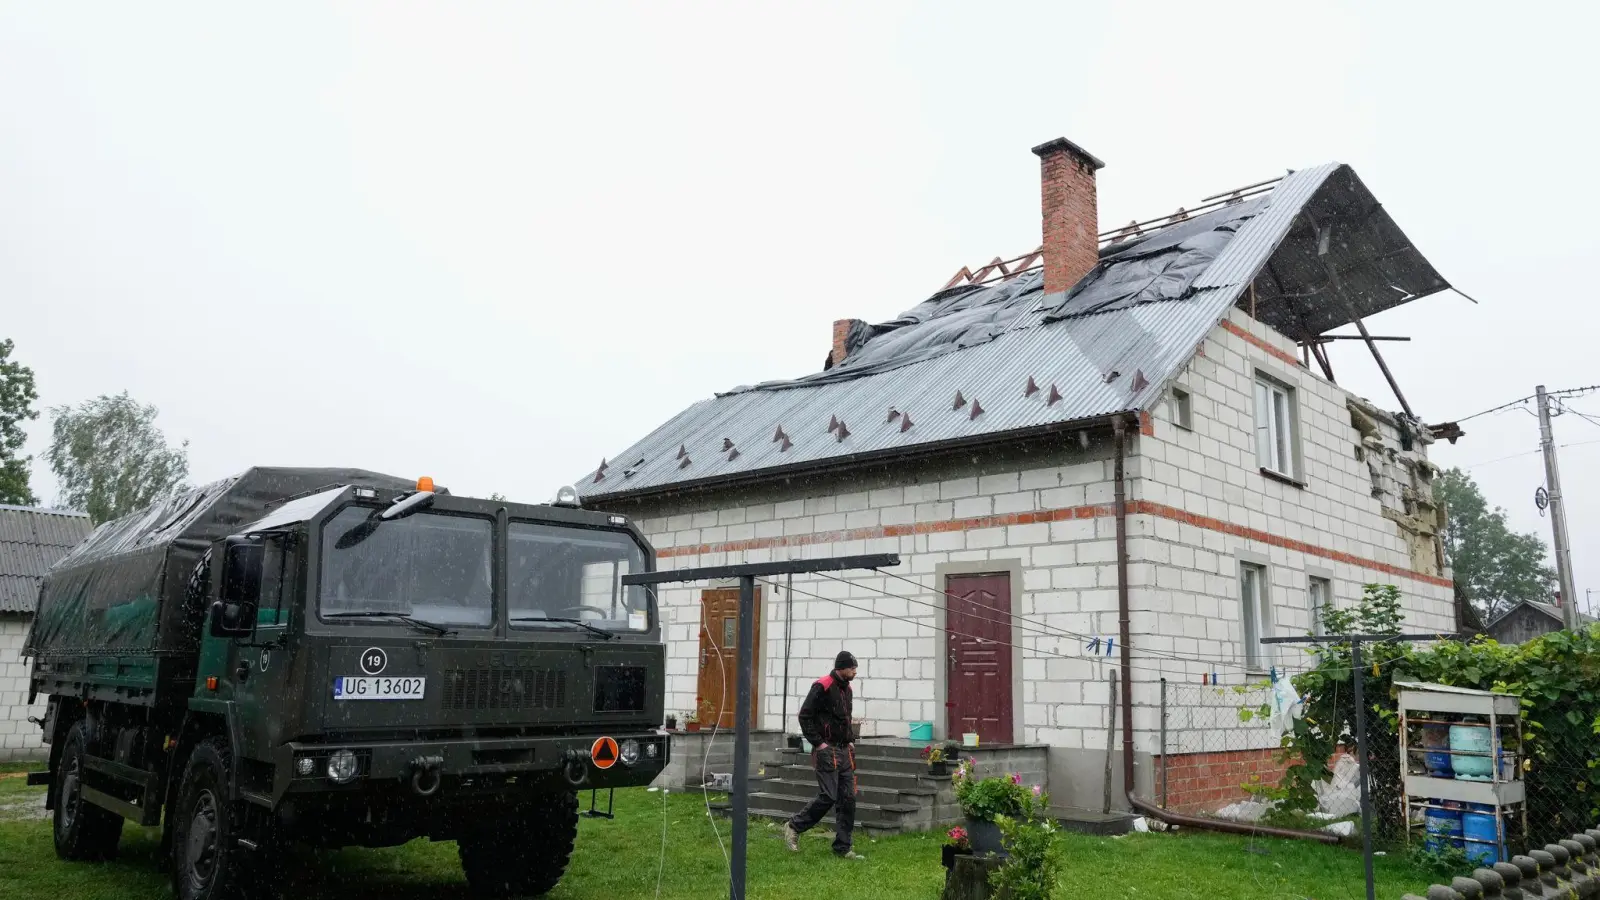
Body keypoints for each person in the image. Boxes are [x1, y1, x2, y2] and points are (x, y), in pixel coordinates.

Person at [783, 651, 862, 859]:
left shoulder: (848, 689)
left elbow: (845, 718)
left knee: (848, 799)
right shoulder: (822, 685)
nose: (855, 671)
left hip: (844, 751)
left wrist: (851, 739)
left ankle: (843, 847)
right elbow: (804, 716)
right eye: (852, 667)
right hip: (827, 751)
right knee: (828, 796)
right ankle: (793, 827)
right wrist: (819, 744)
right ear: (841, 667)